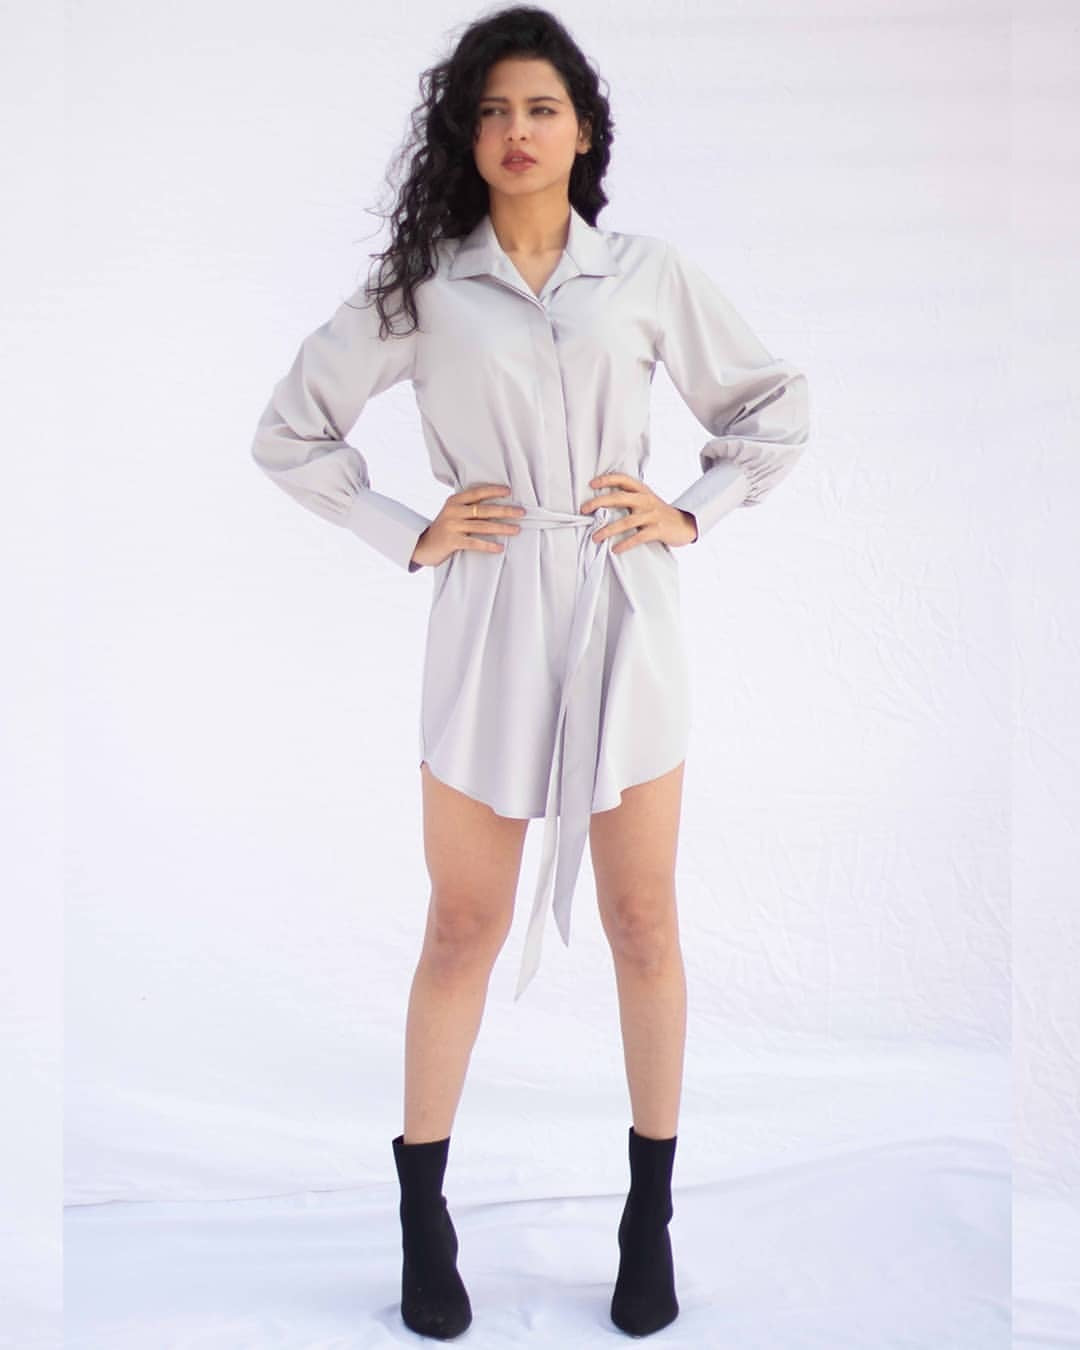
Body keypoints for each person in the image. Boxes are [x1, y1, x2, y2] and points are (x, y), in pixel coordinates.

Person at [250, 4, 810, 1340]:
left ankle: (647, 1217)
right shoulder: (423, 289)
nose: (517, 131)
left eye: (542, 109)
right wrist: (405, 527)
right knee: (463, 923)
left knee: (643, 920)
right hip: (491, 614)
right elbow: (290, 431)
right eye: (494, 110)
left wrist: (691, 510)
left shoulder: (648, 276)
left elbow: (772, 406)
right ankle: (422, 1216)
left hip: (626, 608)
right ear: (467, 133)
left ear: (584, 131)